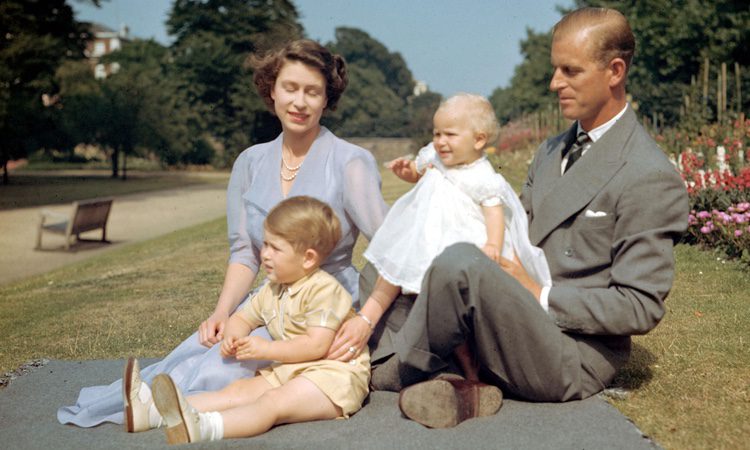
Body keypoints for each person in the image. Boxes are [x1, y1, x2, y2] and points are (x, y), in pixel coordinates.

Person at [368, 7, 690, 429]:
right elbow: (511, 230)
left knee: (457, 263)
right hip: (510, 314)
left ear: (614, 71)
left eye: (570, 71)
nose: (555, 83)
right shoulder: (552, 150)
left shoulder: (649, 174)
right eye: (555, 69)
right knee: (391, 255)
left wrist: (537, 292)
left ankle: (389, 370)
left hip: (569, 351)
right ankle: (456, 379)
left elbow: (639, 306)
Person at [58, 39, 388, 430]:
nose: (300, 102)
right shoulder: (249, 163)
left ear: (327, 98)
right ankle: (150, 404)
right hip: (269, 302)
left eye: (312, 92)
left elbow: (391, 251)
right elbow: (245, 253)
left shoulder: (351, 162)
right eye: (290, 88)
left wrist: (365, 320)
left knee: (224, 367)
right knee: (206, 346)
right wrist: (221, 312)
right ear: (271, 90)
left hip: (323, 310)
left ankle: (175, 413)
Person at [139, 196, 370, 444]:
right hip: (293, 370)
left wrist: (267, 348)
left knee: (272, 402)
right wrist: (233, 336)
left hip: (334, 377)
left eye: (275, 248)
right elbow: (243, 317)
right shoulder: (273, 289)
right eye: (265, 245)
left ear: (308, 258)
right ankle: (152, 412)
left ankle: (205, 427)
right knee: (238, 391)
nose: (265, 255)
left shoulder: (324, 291)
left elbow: (316, 345)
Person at [362, 93, 551, 384]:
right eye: (437, 133)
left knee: (457, 305)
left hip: (461, 240)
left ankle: (470, 366)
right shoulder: (435, 156)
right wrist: (407, 172)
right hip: (428, 236)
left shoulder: (482, 175)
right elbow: (419, 170)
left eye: (450, 134)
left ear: (478, 140)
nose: (440, 141)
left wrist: (493, 243)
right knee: (420, 292)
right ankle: (435, 356)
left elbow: (494, 213)